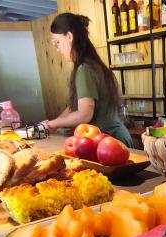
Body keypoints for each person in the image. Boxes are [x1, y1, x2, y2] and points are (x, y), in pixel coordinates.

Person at [45, 13, 133, 148]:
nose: (57, 49)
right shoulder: (92, 64)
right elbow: (73, 107)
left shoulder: (85, 69)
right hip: (111, 139)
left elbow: (84, 114)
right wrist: (54, 123)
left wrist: (53, 124)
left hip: (109, 141)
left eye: (57, 42)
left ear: (69, 37)